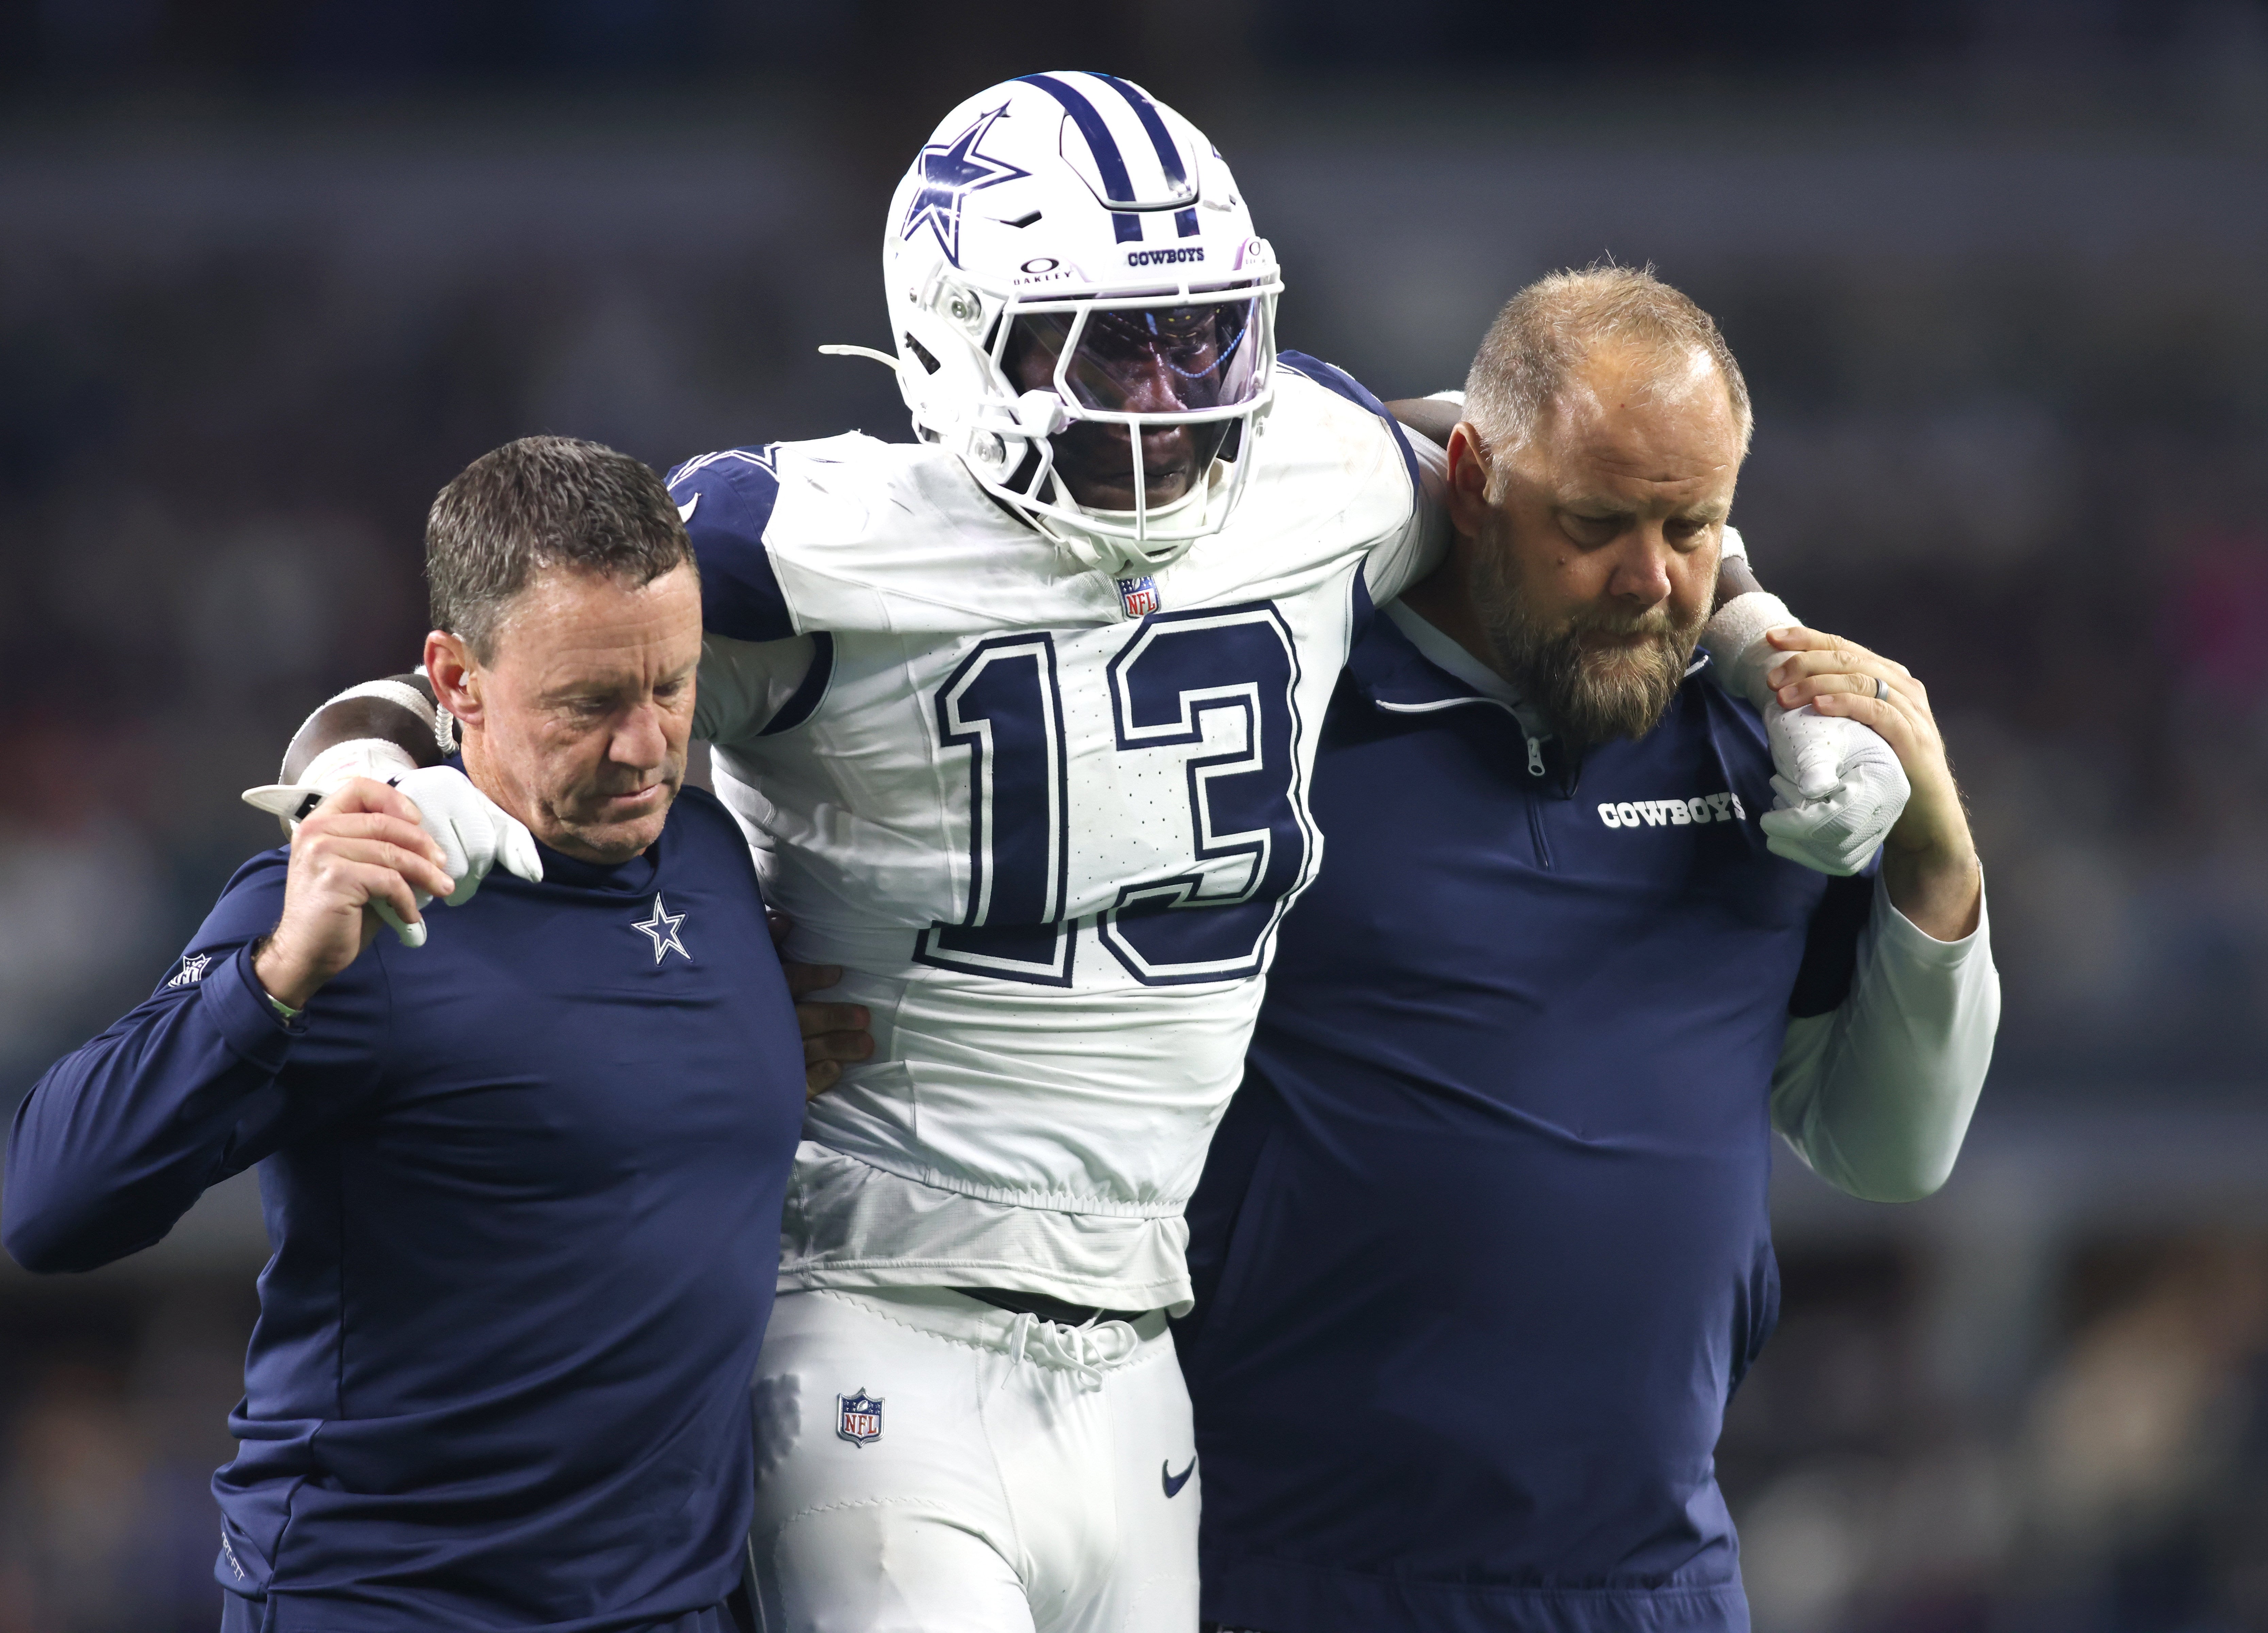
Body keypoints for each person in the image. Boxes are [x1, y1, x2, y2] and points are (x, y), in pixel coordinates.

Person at [261, 77, 1901, 1633]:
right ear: (957, 339)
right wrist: (351, 774)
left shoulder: (1316, 470)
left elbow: (1583, 471)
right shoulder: (808, 538)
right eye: (1112, 351)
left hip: (1140, 1349)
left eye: (1200, 336)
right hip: (873, 1308)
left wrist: (1760, 645)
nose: (1173, 398)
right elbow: (486, 679)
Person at [1174, 268, 1999, 1633]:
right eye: (1596, 523)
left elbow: (1890, 1150)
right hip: (1289, 1572)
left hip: (1653, 1582)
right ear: (1468, 477)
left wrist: (1937, 853)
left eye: (1694, 527)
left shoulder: (1764, 759)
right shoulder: (1287, 719)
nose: (1649, 578)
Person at [3, 438, 808, 1633]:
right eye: (589, 703)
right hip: (391, 1606)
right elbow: (49, 1201)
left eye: (673, 686)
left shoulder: (712, 856)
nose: (645, 745)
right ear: (458, 679)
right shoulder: (359, 894)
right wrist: (273, 976)